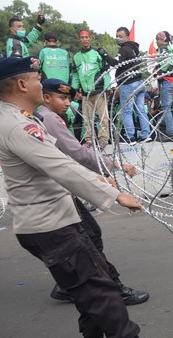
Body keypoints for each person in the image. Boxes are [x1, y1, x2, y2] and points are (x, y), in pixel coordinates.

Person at [0, 56, 173, 338]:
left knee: (89, 285)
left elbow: (59, 163)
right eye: (37, 78)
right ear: (22, 84)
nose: (40, 82)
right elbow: (61, 166)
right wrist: (114, 193)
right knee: (98, 287)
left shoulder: (22, 119)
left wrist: (100, 179)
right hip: (48, 224)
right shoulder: (18, 126)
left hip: (55, 218)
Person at [36, 79, 149, 305]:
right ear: (46, 97)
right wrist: (114, 165)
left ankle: (67, 285)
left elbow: (64, 158)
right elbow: (78, 153)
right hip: (58, 189)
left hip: (54, 188)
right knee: (89, 235)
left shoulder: (39, 116)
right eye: (62, 98)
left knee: (81, 237)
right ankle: (113, 288)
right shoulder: (49, 118)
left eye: (68, 98)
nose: (67, 103)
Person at [103, 26, 147, 143]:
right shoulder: (134, 49)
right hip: (139, 82)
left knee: (127, 111)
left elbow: (117, 64)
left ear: (127, 37)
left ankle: (130, 136)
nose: (118, 38)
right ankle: (146, 134)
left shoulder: (124, 49)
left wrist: (105, 55)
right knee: (141, 110)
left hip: (128, 83)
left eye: (121, 36)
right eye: (117, 36)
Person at [71, 30, 111, 148]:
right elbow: (76, 75)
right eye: (82, 37)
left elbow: (106, 71)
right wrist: (74, 89)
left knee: (103, 117)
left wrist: (107, 87)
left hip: (99, 90)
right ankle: (89, 139)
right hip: (85, 93)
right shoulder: (77, 56)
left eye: (86, 37)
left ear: (90, 38)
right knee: (87, 118)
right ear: (79, 39)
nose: (84, 39)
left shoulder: (97, 53)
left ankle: (103, 139)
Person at [153, 31, 173, 141]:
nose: (156, 42)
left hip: (168, 82)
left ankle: (170, 134)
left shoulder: (163, 50)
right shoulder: (172, 51)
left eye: (157, 39)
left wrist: (159, 71)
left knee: (166, 108)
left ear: (162, 40)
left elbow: (165, 66)